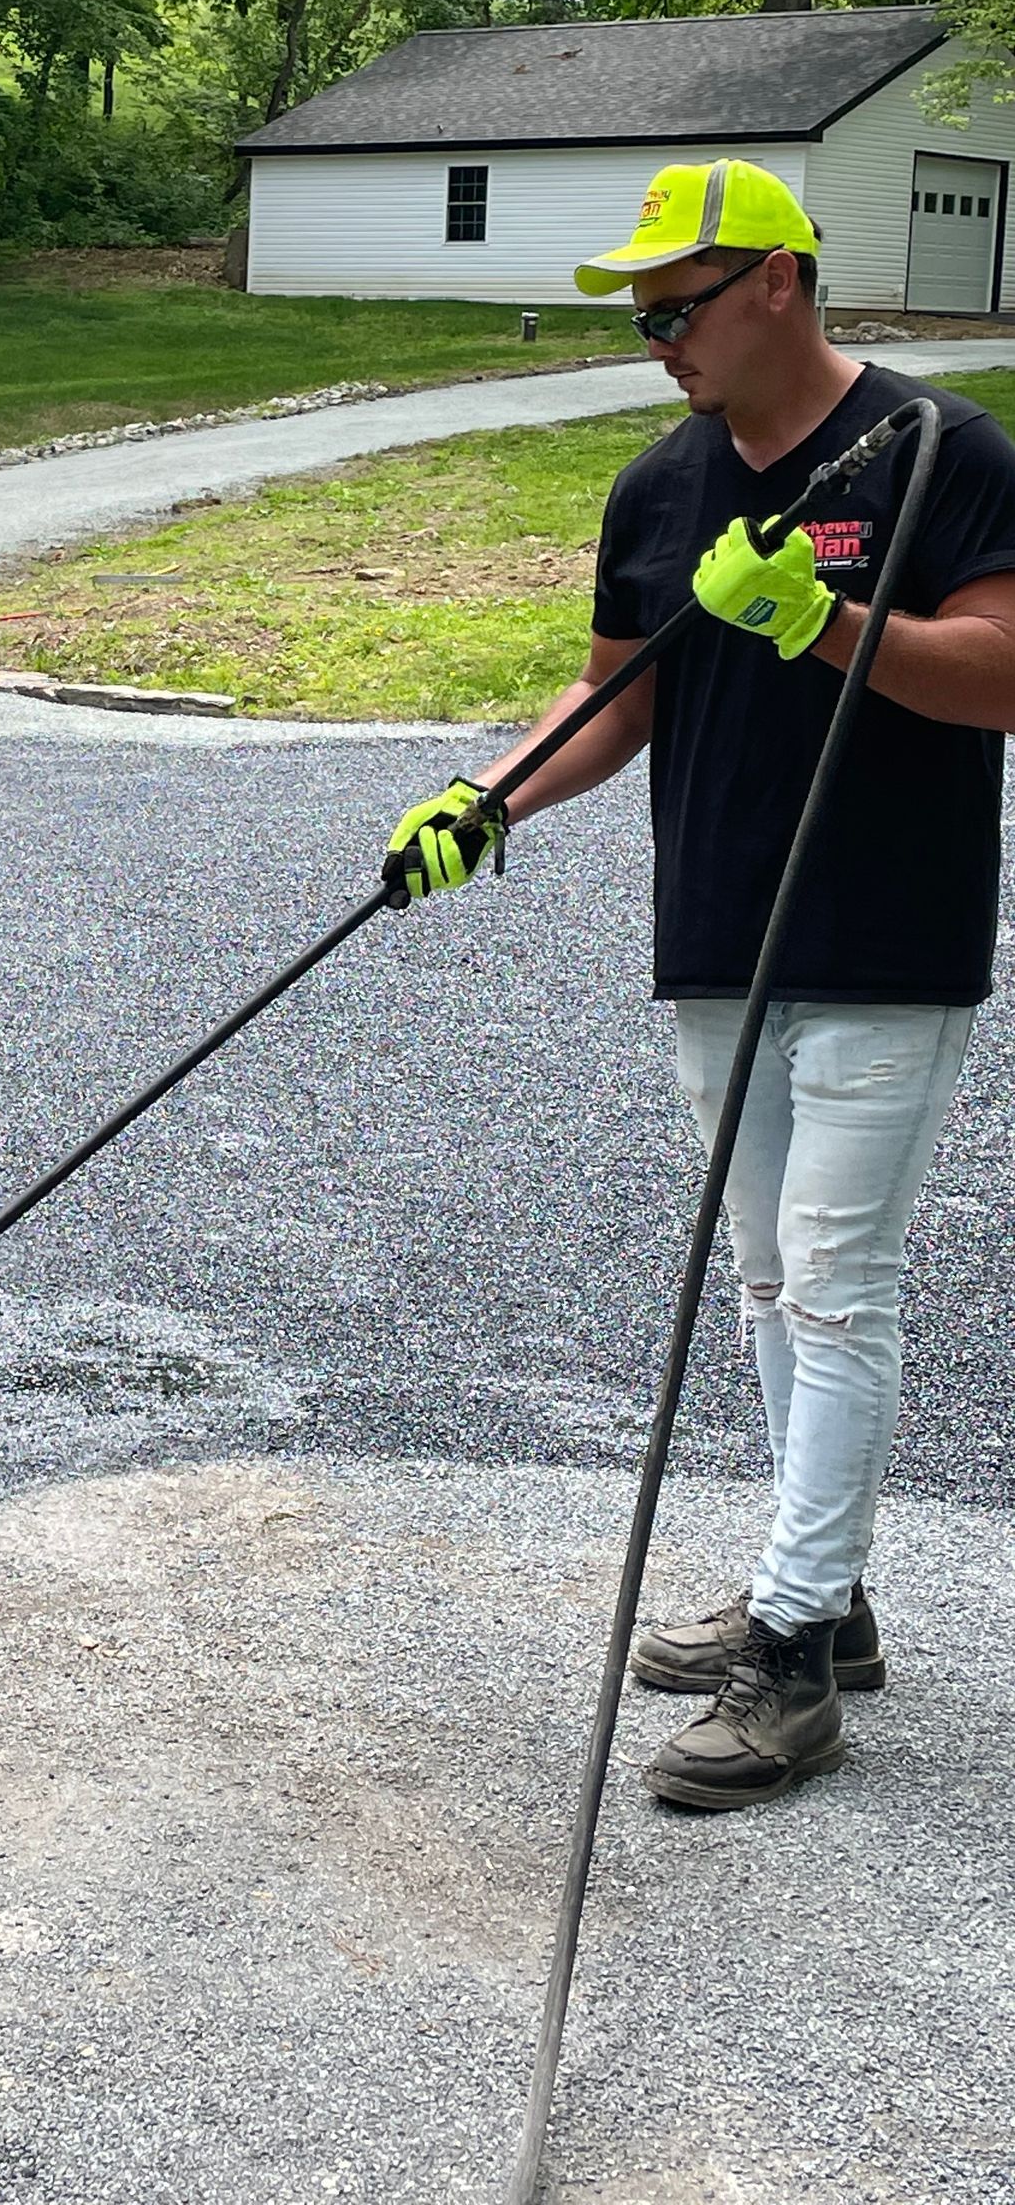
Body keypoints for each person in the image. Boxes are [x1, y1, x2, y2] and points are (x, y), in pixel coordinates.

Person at [385, 158, 1015, 1811]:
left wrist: (818, 618)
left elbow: (1007, 678)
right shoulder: (661, 488)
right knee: (761, 1286)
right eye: (645, 312)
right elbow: (616, 699)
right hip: (719, 933)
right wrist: (489, 799)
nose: (658, 337)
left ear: (779, 285)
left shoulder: (947, 453)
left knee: (836, 1282)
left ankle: (796, 1657)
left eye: (680, 306)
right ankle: (834, 1587)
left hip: (884, 935)